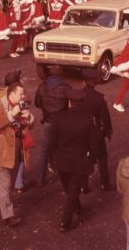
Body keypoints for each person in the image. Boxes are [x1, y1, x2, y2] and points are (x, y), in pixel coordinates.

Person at [0, 82, 33, 227]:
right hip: (2, 152)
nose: (23, 96)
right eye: (20, 94)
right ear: (11, 94)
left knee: (7, 182)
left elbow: (29, 124)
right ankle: (8, 215)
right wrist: (12, 114)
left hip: (17, 150)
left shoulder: (21, 105)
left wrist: (28, 118)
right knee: (5, 183)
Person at [48, 88, 98, 232]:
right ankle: (65, 222)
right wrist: (92, 161)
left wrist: (52, 160)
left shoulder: (58, 118)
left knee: (69, 190)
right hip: (79, 161)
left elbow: (52, 143)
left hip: (61, 161)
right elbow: (93, 144)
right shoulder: (88, 120)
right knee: (73, 191)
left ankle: (77, 210)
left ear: (69, 102)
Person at [34, 65, 71, 186]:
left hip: (48, 122)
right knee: (63, 149)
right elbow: (70, 106)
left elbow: (37, 104)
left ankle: (40, 178)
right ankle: (65, 178)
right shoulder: (66, 87)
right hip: (62, 123)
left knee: (44, 150)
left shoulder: (43, 86)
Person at [81, 67, 114, 191]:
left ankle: (84, 185)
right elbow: (105, 116)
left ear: (84, 81)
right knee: (102, 157)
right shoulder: (99, 98)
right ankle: (105, 184)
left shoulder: (78, 96)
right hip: (96, 131)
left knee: (85, 157)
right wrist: (108, 131)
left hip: (82, 130)